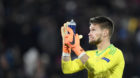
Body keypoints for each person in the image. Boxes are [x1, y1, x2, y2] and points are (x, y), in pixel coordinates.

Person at [61, 16, 125, 78]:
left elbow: (96, 68)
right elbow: (67, 69)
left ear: (105, 33)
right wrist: (66, 45)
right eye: (90, 30)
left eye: (93, 30)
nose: (89, 33)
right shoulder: (89, 54)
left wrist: (77, 48)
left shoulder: (116, 53)